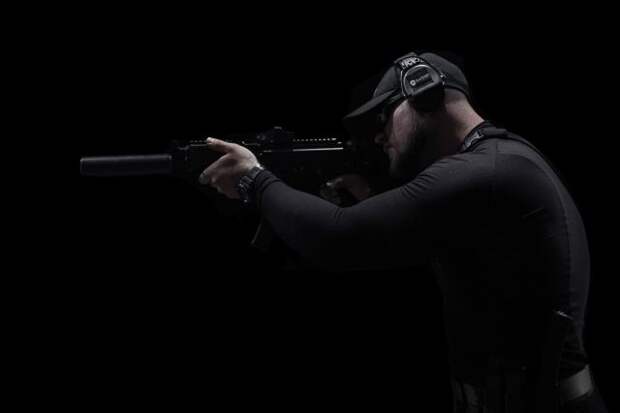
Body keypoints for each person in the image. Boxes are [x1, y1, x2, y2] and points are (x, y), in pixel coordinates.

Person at [198, 51, 607, 412]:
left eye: (384, 116)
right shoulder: (503, 159)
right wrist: (372, 199)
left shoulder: (486, 171)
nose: (379, 136)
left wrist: (255, 180)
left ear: (422, 91)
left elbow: (338, 239)